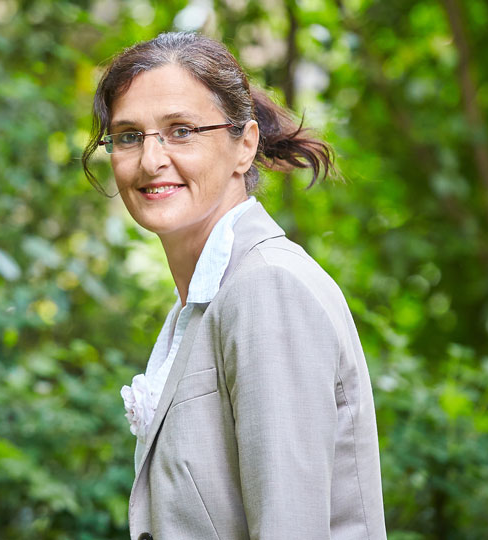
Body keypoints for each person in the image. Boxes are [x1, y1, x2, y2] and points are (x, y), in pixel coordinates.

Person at [82, 32, 386, 540]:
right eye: (129, 136)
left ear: (244, 145)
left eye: (181, 131)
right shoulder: (204, 300)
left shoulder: (267, 288)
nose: (151, 159)